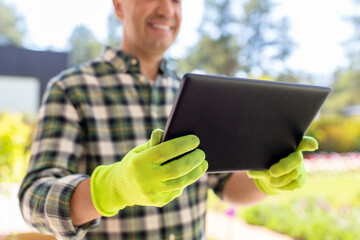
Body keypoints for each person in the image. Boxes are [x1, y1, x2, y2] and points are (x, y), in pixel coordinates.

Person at [18, 0, 318, 239]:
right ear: (119, 6)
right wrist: (113, 188)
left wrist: (266, 179)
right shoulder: (71, 89)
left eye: (176, 0)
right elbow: (33, 201)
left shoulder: (197, 93)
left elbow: (225, 185)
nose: (167, 9)